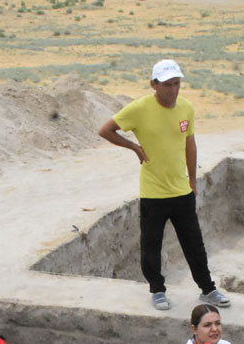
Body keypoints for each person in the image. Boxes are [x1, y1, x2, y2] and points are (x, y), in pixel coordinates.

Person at [98, 59, 230, 312]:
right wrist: (134, 147)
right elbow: (106, 130)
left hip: (182, 191)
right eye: (168, 85)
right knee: (151, 245)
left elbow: (189, 144)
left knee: (194, 243)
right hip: (153, 193)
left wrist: (192, 180)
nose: (173, 90)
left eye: (177, 84)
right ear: (154, 85)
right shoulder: (138, 109)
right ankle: (157, 290)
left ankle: (208, 289)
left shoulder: (186, 108)